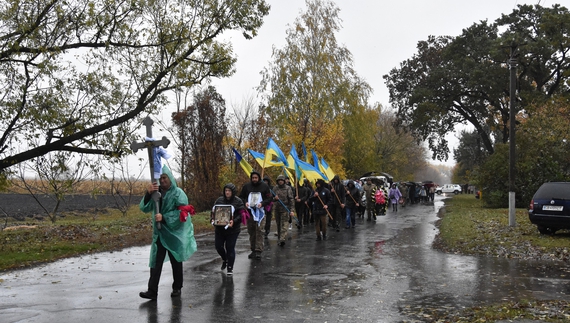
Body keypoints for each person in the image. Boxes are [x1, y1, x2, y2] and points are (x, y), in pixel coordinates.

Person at [139, 165, 197, 300]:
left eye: (164, 178)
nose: (162, 181)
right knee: (155, 262)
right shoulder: (156, 193)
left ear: (170, 178)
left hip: (174, 233)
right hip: (159, 233)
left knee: (176, 261)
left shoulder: (178, 193)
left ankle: (177, 287)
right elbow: (144, 207)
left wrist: (164, 218)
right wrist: (148, 193)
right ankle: (152, 291)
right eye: (160, 178)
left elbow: (182, 213)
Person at [211, 183, 244, 275]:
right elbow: (213, 212)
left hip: (233, 230)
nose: (227, 192)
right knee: (218, 246)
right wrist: (213, 219)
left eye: (229, 191)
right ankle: (224, 258)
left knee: (230, 247)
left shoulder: (238, 201)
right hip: (220, 229)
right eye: (226, 191)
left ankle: (230, 268)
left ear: (233, 192)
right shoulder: (219, 200)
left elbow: (242, 214)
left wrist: (234, 221)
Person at [239, 171, 272, 260]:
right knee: (251, 231)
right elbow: (241, 197)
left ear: (258, 178)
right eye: (253, 178)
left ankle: (258, 250)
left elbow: (269, 198)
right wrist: (245, 202)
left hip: (260, 213)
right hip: (250, 213)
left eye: (256, 178)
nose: (254, 179)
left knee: (260, 231)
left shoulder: (264, 186)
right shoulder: (246, 186)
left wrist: (262, 203)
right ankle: (253, 249)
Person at [272, 175, 295, 246]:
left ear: (284, 181)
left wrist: (292, 210)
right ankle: (279, 237)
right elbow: (270, 198)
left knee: (284, 224)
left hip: (285, 208)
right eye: (279, 180)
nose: (280, 181)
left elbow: (291, 199)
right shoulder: (275, 188)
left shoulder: (288, 188)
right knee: (278, 224)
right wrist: (274, 199)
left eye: (281, 180)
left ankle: (282, 238)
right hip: (277, 208)